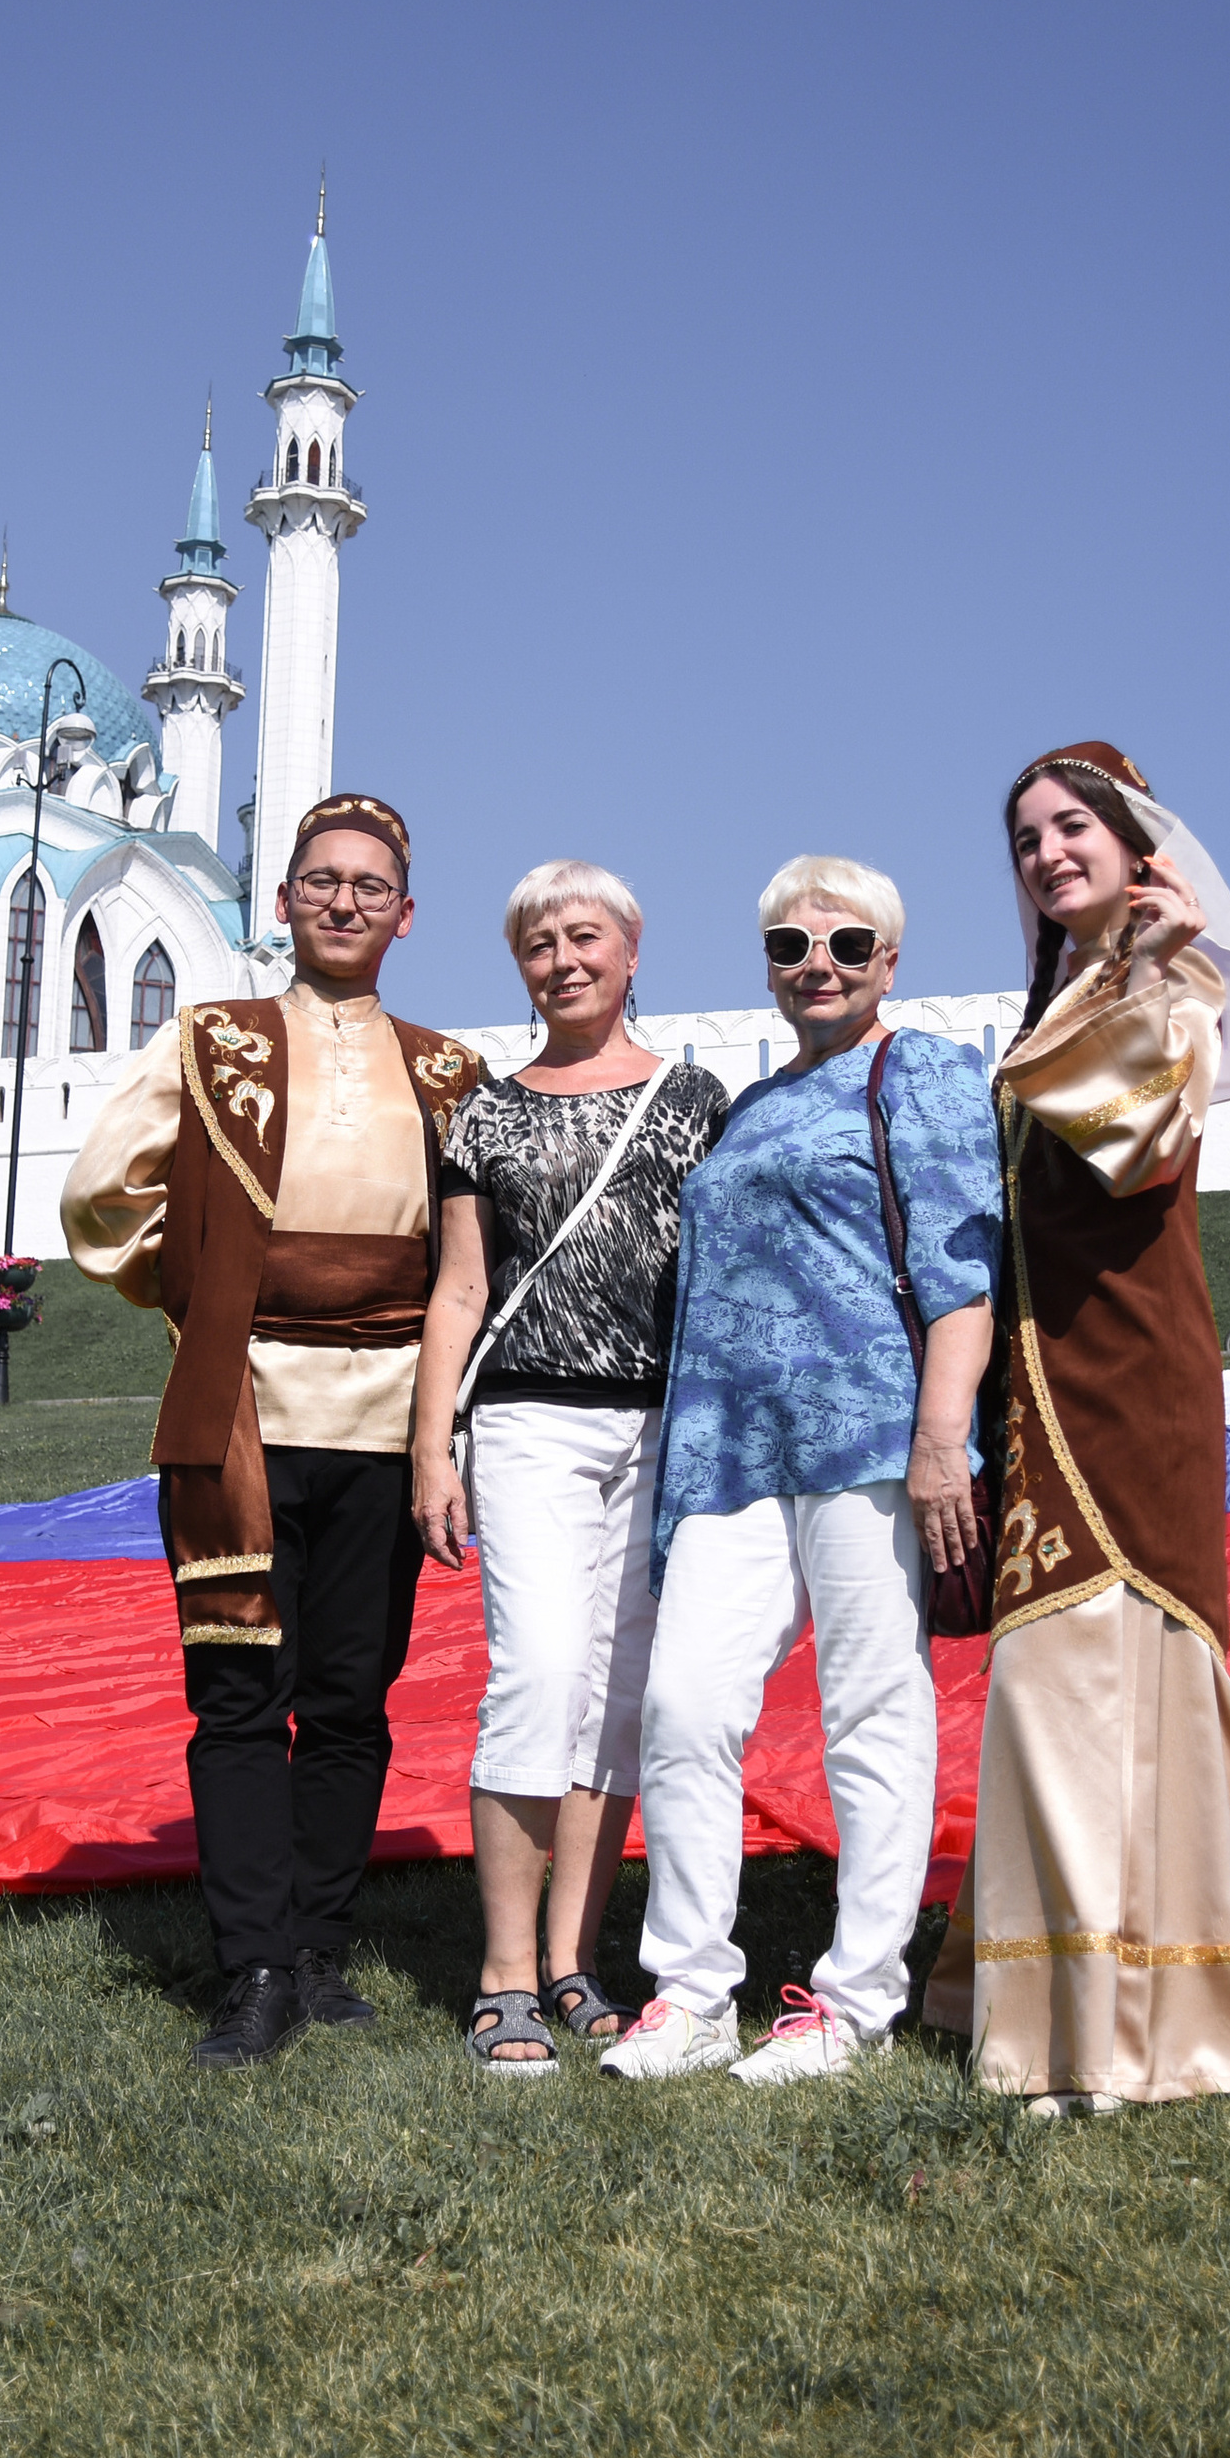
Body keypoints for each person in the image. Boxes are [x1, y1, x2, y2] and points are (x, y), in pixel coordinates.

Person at [923, 741, 1230, 2113]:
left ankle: (1113, 2034)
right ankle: (1072, 2013)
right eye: (1026, 839)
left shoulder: (1175, 987)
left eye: (1071, 828)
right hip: (1046, 1382)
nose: (1046, 854)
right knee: (1057, 1690)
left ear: (1136, 841)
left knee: (1109, 1682)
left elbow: (1130, 1140)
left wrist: (1156, 961)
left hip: (1131, 1379)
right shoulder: (1082, 991)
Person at [61, 794, 484, 2069]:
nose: (343, 900)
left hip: (387, 1419)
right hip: (241, 1412)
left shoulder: (450, 1071)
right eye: (320, 881)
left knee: (352, 1697)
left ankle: (314, 1947)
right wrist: (206, 1296)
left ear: (404, 916)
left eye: (369, 884)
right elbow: (98, 1196)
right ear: (284, 901)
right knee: (241, 1692)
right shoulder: (210, 1043)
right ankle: (249, 1963)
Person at [603, 856, 1001, 2088]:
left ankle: (855, 1998)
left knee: (871, 1713)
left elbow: (961, 1273)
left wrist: (944, 1441)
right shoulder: (749, 1107)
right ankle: (690, 1990)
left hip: (871, 1442)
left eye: (844, 943)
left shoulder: (920, 1071)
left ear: (890, 959)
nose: (814, 963)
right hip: (730, 1451)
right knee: (684, 1706)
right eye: (788, 943)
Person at [410, 861, 729, 2075]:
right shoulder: (483, 1115)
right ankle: (499, 1975)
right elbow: (460, 1287)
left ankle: (571, 1962)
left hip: (656, 1426)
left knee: (617, 1693)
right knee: (537, 1673)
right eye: (538, 943)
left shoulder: (697, 1099)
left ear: (632, 951)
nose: (563, 959)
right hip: (532, 1421)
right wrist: (433, 1442)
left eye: (584, 936)